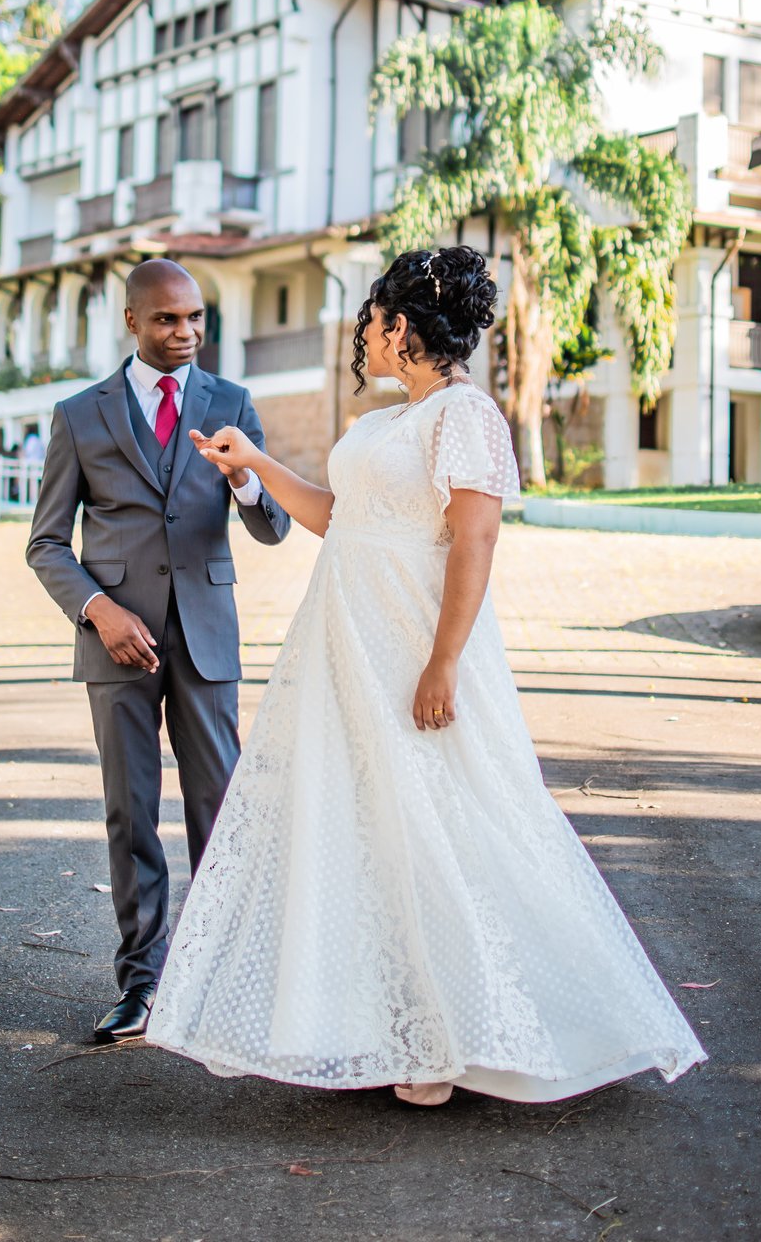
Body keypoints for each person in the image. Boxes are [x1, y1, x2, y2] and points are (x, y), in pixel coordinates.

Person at [148, 246, 704, 1107]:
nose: (362, 339)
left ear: (399, 328)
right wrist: (254, 463)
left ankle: (455, 1037)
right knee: (367, 827)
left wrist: (443, 660)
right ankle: (389, 1025)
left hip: (414, 644)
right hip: (345, 647)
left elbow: (475, 540)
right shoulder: (378, 426)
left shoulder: (464, 417)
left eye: (370, 324)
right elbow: (339, 519)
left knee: (444, 826)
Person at [26, 260, 291, 1045]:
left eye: (197, 319)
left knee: (222, 811)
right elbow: (46, 544)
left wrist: (243, 481)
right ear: (135, 323)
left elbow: (273, 525)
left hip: (208, 639)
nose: (187, 334)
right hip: (120, 647)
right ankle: (141, 985)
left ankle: (228, 975)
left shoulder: (232, 403)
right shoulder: (80, 416)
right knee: (131, 814)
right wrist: (99, 610)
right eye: (170, 321)